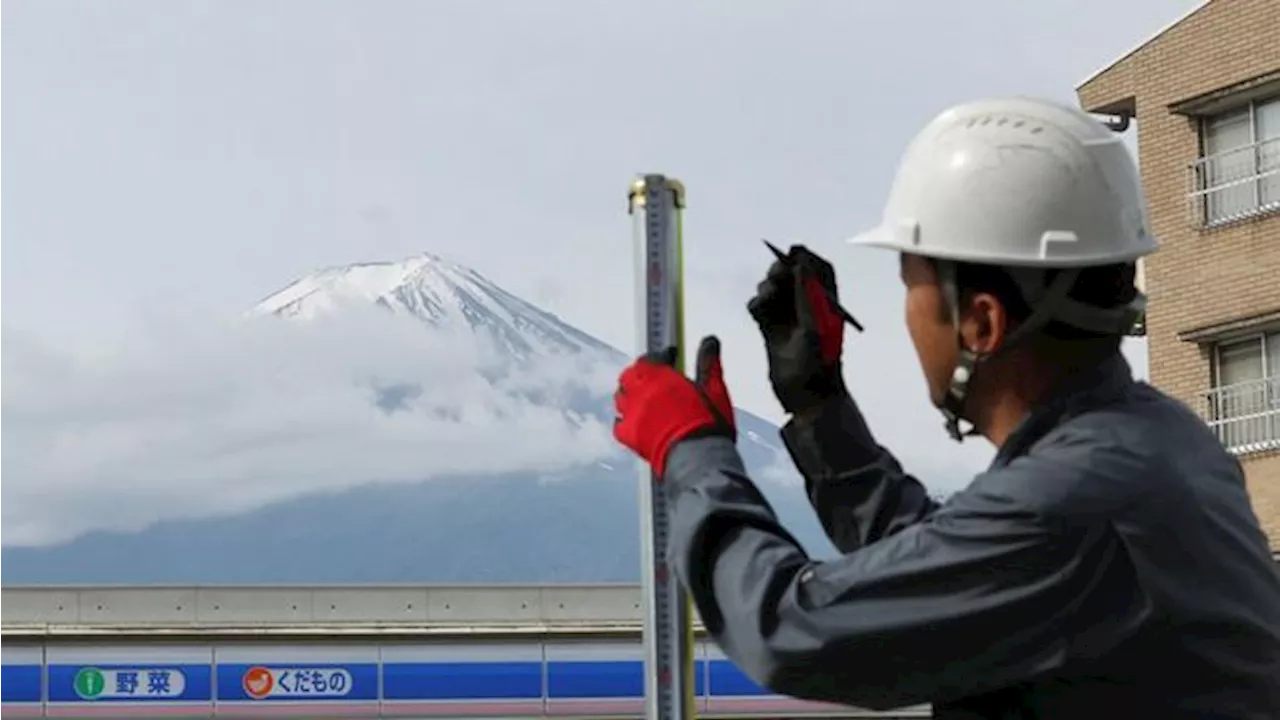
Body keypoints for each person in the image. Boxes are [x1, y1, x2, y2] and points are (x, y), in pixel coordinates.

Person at [611, 96, 1280, 719]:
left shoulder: (1080, 495)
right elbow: (941, 566)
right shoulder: (1151, 445)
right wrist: (819, 409)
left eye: (910, 285)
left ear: (980, 323)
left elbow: (794, 627)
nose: (904, 314)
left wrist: (689, 450)